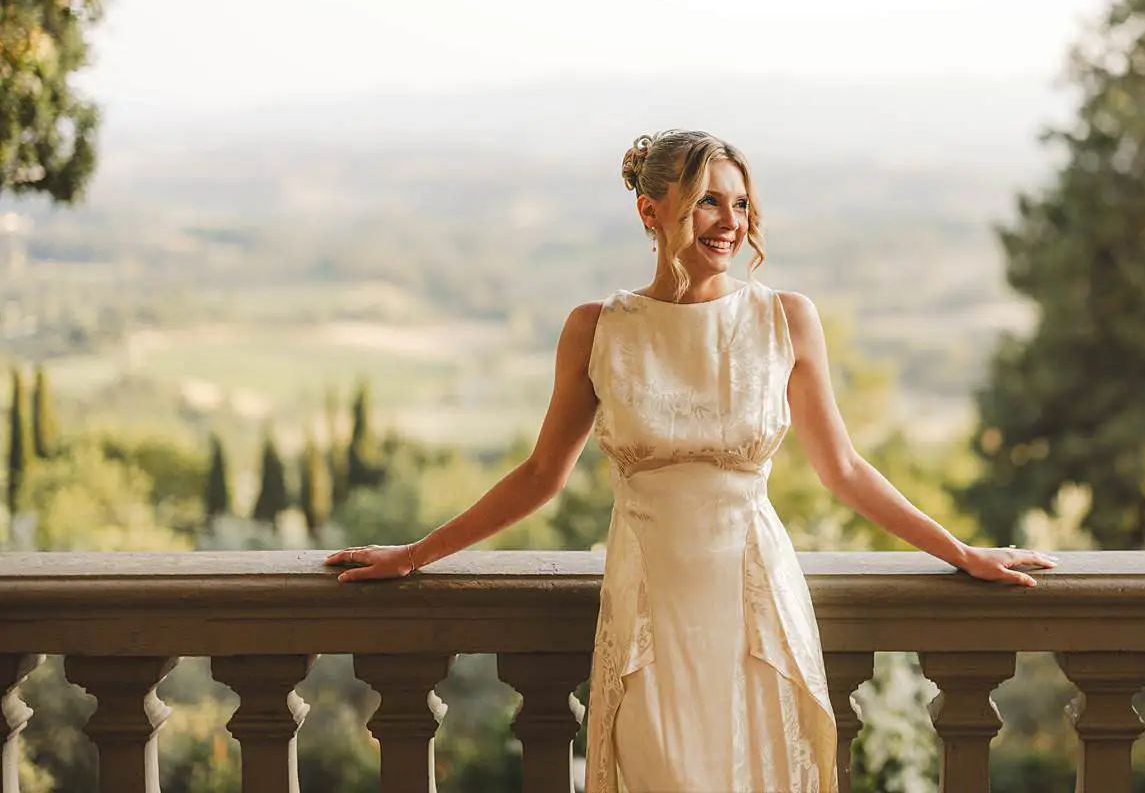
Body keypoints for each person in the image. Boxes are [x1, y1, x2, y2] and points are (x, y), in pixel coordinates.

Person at [326, 129, 1058, 792]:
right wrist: (416, 554)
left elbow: (845, 471)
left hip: (756, 609)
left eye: (741, 204)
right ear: (652, 212)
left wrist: (961, 552)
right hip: (650, 613)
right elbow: (539, 476)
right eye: (709, 201)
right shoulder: (595, 330)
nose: (732, 222)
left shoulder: (785, 319)